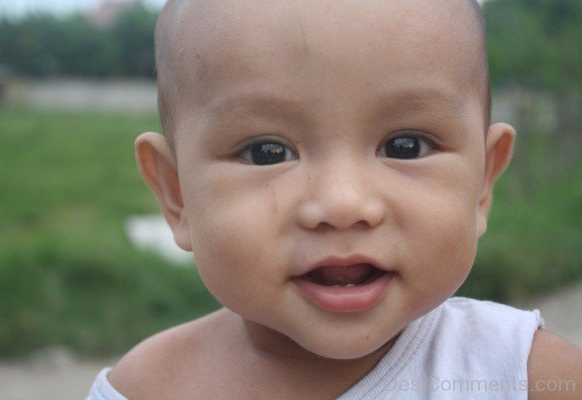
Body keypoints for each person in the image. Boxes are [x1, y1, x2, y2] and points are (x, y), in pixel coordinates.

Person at [86, 0, 582, 398]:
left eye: (404, 146)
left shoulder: (522, 376)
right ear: (176, 195)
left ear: (482, 182)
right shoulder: (146, 389)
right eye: (266, 153)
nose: (343, 205)